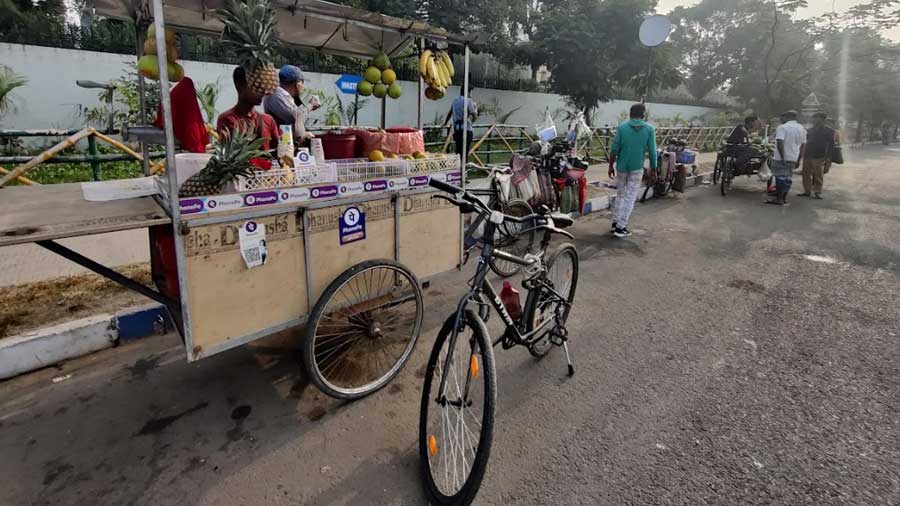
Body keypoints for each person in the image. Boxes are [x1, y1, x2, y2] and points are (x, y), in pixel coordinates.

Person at [608, 103, 657, 238]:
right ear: (643, 115)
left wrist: (610, 165)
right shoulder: (649, 129)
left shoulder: (622, 128)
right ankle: (621, 227)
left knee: (620, 194)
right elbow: (652, 152)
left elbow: (614, 149)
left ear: (630, 114)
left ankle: (615, 223)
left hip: (621, 166)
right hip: (636, 167)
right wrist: (654, 169)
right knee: (630, 197)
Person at [217, 66, 279, 151]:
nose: (262, 92)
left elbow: (278, 152)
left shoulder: (268, 120)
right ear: (240, 86)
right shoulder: (228, 119)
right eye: (256, 87)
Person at [263, 65, 320, 145]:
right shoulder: (275, 95)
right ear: (297, 83)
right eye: (302, 82)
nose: (303, 86)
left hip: (291, 144)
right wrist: (310, 106)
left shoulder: (286, 96)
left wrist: (304, 134)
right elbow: (294, 116)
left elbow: (295, 120)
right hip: (282, 147)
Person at [766, 110, 806, 206]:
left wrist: (783, 157)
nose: (781, 119)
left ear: (787, 117)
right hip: (794, 157)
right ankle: (783, 198)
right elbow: (803, 146)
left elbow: (780, 142)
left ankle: (779, 199)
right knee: (788, 178)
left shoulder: (782, 127)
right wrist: (799, 159)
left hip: (781, 157)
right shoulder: (802, 129)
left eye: (782, 117)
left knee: (780, 178)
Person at [798, 112, 835, 199]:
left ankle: (817, 191)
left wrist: (829, 158)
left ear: (823, 120)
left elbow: (831, 145)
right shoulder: (810, 130)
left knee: (818, 174)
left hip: (819, 155)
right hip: (808, 154)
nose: (814, 120)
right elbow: (805, 142)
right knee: (805, 174)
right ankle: (807, 191)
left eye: (817, 118)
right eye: (814, 118)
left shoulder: (829, 131)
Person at [445, 86, 477, 157]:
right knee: (465, 153)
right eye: (471, 92)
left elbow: (450, 113)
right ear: (468, 92)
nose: (471, 95)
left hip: (457, 130)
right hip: (466, 130)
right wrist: (475, 107)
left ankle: (458, 167)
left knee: (458, 152)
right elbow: (475, 115)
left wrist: (445, 123)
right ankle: (464, 167)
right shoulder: (468, 101)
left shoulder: (455, 100)